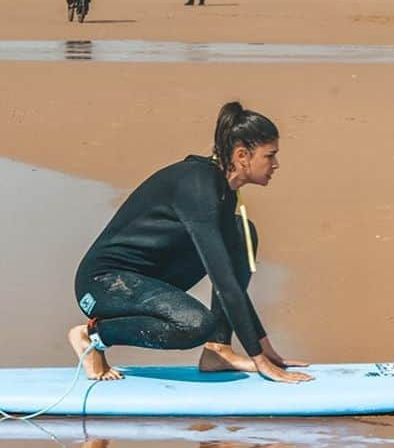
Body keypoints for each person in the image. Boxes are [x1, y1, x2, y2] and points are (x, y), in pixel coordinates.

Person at [68, 102, 313, 384]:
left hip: (148, 280)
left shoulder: (223, 192)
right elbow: (225, 284)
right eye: (270, 156)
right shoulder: (198, 187)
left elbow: (230, 279)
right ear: (242, 155)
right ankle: (93, 337)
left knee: (242, 231)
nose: (275, 164)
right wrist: (259, 361)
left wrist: (266, 350)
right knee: (195, 325)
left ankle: (218, 351)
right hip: (103, 284)